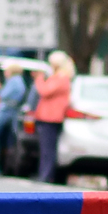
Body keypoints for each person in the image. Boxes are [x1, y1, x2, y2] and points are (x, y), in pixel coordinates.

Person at [30, 51, 74, 184]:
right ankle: (44, 174)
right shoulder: (59, 77)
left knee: (48, 149)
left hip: (51, 117)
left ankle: (46, 175)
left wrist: (38, 78)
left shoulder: (61, 78)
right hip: (47, 117)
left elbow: (45, 91)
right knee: (45, 148)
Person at [0, 61, 26, 177]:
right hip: (13, 111)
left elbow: (3, 95)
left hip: (6, 110)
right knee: (9, 140)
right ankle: (0, 166)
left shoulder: (14, 81)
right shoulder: (20, 81)